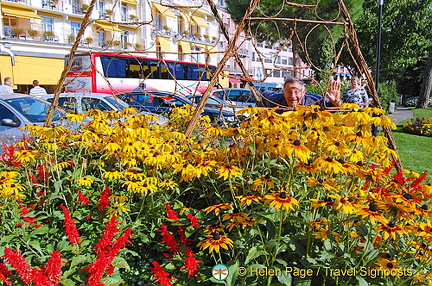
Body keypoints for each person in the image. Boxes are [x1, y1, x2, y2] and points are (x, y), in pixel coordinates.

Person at [262, 76, 342, 109]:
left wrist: (336, 102)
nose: (293, 96)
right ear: (283, 92)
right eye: (289, 92)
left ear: (303, 92)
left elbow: (333, 107)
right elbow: (265, 94)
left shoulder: (314, 101)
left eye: (296, 92)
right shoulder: (275, 100)